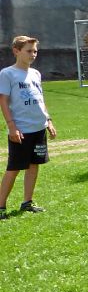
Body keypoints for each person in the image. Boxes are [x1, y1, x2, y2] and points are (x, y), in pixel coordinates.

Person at [0, 36, 56, 220]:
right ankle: (0, 206)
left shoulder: (36, 74)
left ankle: (27, 202)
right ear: (16, 51)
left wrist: (48, 121)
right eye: (29, 51)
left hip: (38, 128)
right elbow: (4, 101)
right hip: (21, 130)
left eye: (35, 51)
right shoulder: (7, 74)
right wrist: (12, 126)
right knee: (14, 168)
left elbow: (40, 99)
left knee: (33, 166)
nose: (33, 54)